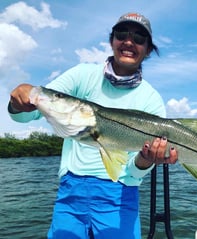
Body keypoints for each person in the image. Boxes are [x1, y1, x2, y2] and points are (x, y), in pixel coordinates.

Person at [8, 12, 178, 239]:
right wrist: (20, 100)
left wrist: (147, 159)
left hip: (121, 193)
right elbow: (26, 116)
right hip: (71, 191)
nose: (128, 42)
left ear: (148, 49)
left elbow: (134, 170)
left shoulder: (151, 99)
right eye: (121, 34)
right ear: (112, 41)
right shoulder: (82, 74)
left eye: (138, 38)